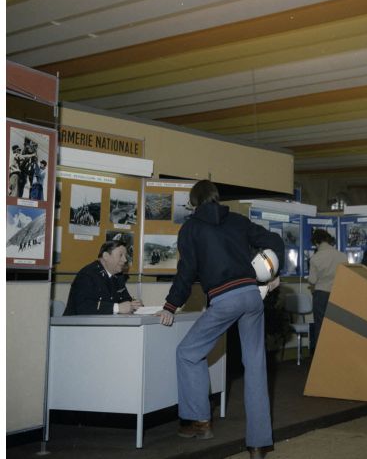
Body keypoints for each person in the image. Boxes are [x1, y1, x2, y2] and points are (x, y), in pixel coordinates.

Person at [158, 180, 284, 459]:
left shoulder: (190, 228)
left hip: (225, 298)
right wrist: (274, 274)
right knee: (255, 367)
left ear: (193, 202)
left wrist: (170, 305)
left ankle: (200, 422)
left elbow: (186, 271)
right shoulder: (237, 220)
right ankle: (259, 444)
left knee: (188, 353)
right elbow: (274, 241)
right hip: (252, 297)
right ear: (216, 197)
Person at [64, 240, 141, 315]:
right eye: (121, 255)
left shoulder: (118, 277)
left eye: (125, 256)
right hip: (76, 326)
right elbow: (83, 306)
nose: (125, 260)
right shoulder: (87, 275)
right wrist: (117, 308)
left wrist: (134, 306)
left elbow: (125, 300)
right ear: (106, 256)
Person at [308, 229, 347, 344]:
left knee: (320, 326)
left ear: (316, 242)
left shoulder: (315, 258)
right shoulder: (342, 256)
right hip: (338, 294)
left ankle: (320, 358)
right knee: (337, 326)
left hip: (321, 294)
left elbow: (312, 280)